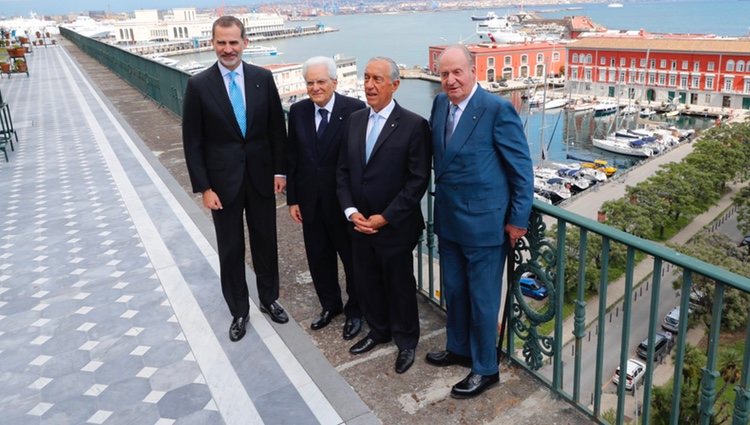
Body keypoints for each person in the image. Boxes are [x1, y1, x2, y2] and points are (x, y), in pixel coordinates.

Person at [425, 45, 534, 398]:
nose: (451, 80)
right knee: (455, 291)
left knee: (484, 300)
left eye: (457, 72)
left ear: (474, 72)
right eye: (444, 74)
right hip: (450, 220)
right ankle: (458, 348)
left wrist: (518, 221)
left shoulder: (496, 109)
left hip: (486, 225)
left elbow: (522, 170)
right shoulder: (440, 104)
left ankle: (486, 369)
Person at [182, 16, 289, 343]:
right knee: (230, 249)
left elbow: (275, 131)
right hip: (222, 185)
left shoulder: (262, 78)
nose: (228, 49)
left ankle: (269, 298)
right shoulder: (199, 86)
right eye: (221, 43)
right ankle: (239, 310)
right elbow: (193, 141)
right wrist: (204, 187)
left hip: (260, 178)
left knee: (265, 242)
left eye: (233, 42)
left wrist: (280, 171)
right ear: (212, 44)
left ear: (245, 42)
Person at [336, 57, 431, 374]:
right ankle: (378, 331)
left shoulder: (414, 125)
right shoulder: (354, 120)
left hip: (395, 227)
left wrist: (385, 217)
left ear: (395, 84)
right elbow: (344, 172)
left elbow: (417, 180)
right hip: (358, 224)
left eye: (377, 79)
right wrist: (351, 212)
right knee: (367, 281)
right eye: (366, 78)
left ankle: (406, 341)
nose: (369, 85)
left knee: (399, 284)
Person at [287, 56, 366, 340]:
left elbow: (360, 159)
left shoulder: (355, 109)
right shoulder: (298, 111)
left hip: (344, 204)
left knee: (351, 259)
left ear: (335, 81)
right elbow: (293, 157)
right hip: (310, 202)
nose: (315, 87)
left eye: (321, 82)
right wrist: (293, 200)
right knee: (318, 258)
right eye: (310, 82)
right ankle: (329, 305)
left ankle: (356, 310)